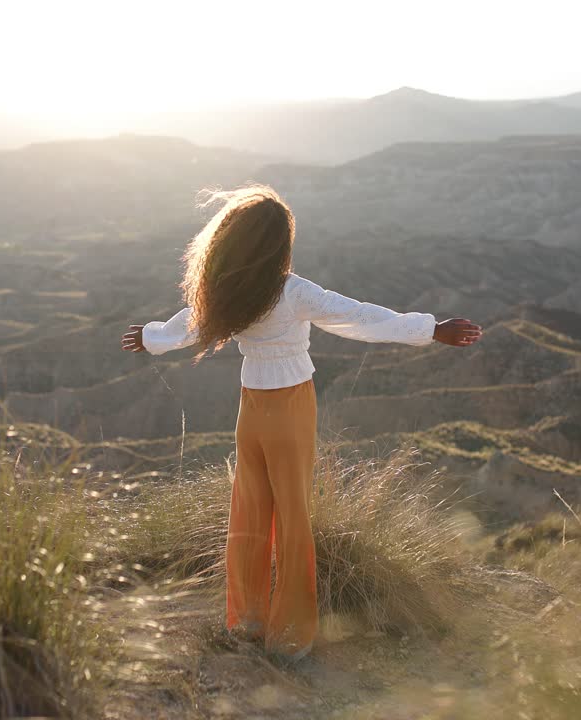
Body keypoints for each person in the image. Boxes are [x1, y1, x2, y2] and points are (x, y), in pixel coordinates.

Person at [120, 185, 481, 660]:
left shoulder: (227, 289)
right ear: (277, 243)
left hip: (251, 409)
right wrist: (430, 329)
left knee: (248, 508)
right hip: (290, 407)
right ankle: (289, 638)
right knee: (292, 516)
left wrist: (151, 338)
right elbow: (359, 317)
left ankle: (246, 620)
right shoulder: (292, 291)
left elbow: (186, 325)